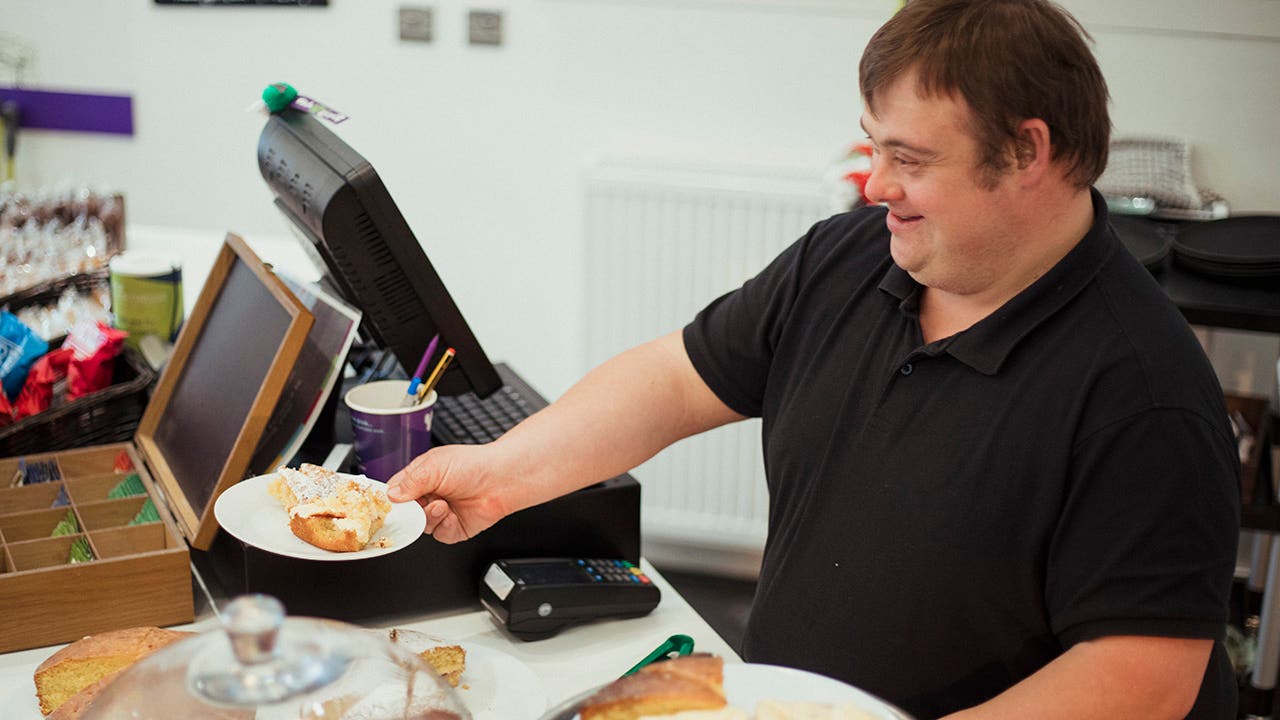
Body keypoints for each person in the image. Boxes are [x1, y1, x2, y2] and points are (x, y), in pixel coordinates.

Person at [388, 1, 1241, 717]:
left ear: (1027, 151)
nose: (874, 185)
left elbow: (1141, 679)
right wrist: (501, 473)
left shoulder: (1144, 392)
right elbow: (674, 380)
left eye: (909, 159)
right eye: (875, 147)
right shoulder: (849, 257)